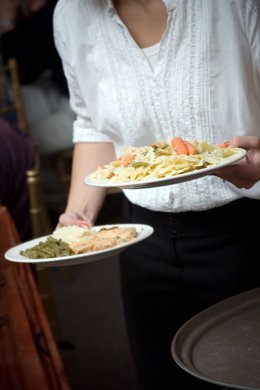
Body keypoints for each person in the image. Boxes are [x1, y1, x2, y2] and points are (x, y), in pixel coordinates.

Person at [53, 1, 260, 389]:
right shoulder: (71, 14)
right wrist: (76, 220)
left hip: (243, 229)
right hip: (141, 237)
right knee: (159, 377)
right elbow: (94, 127)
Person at [0, 0, 74, 155]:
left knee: (21, 144)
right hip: (72, 103)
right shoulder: (42, 15)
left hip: (80, 109)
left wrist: (6, 20)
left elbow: (22, 73)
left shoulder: (53, 12)